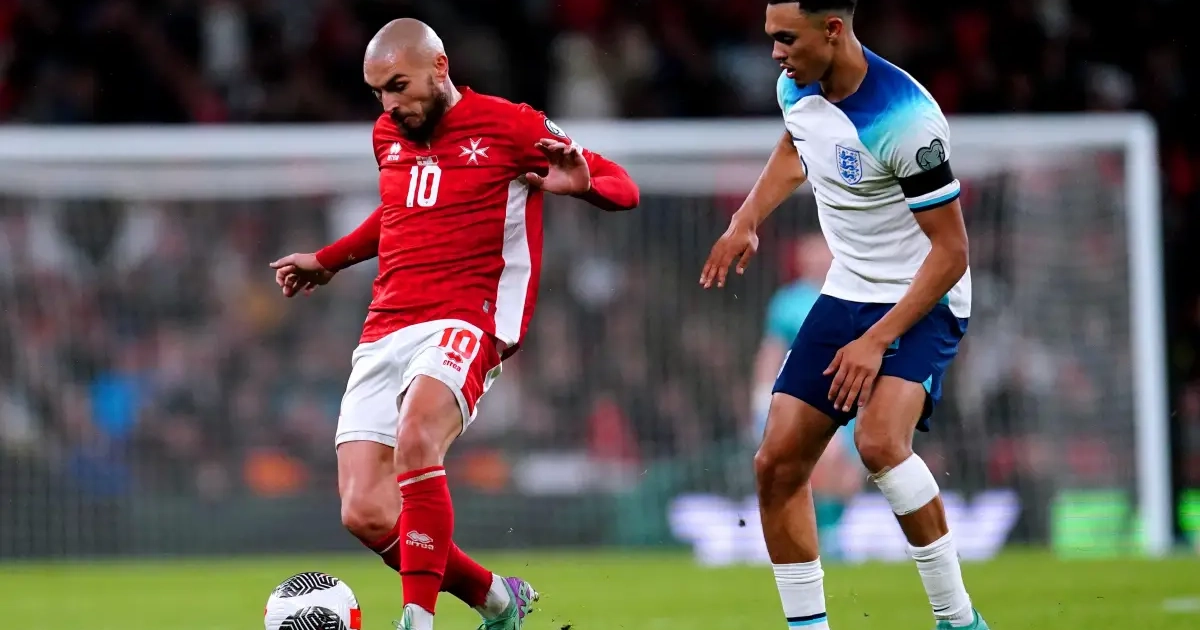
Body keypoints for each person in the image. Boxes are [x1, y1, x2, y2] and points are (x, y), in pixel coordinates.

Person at [270, 19, 639, 630]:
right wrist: (328, 260)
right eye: (377, 92)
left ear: (439, 68)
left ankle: (417, 620)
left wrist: (585, 186)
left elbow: (623, 186)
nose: (389, 105)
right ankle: (498, 601)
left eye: (398, 86)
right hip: (387, 323)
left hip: (471, 317)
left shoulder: (511, 125)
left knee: (418, 434)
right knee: (364, 511)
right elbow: (400, 211)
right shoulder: (388, 134)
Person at [700, 1, 988, 629]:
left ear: (832, 30)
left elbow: (952, 252)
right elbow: (795, 146)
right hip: (847, 289)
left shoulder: (907, 120)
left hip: (923, 294)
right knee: (776, 463)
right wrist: (747, 218)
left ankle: (959, 619)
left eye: (786, 38)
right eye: (771, 37)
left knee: (880, 442)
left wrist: (876, 340)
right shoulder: (795, 85)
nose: (775, 53)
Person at [751, 234, 864, 561]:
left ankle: (831, 533)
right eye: (809, 254)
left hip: (850, 393)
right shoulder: (788, 302)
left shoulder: (854, 294)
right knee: (821, 464)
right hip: (807, 396)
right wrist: (760, 398)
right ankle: (819, 538)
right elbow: (772, 351)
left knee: (850, 475)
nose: (816, 260)